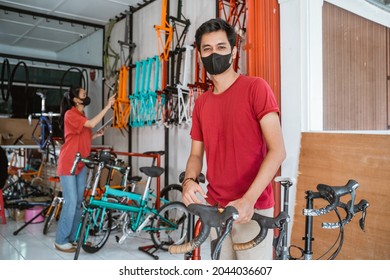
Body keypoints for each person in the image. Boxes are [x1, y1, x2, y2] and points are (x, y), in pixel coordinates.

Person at [182, 18, 286, 260]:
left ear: (233, 51)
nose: (213, 53)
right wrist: (188, 181)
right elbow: (196, 154)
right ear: (199, 54)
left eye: (221, 47)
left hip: (253, 210)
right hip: (216, 209)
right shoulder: (202, 104)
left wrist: (248, 200)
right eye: (207, 49)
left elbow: (277, 151)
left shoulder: (256, 88)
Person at [54, 86, 115, 253]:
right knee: (71, 202)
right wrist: (107, 107)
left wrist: (96, 135)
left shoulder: (81, 115)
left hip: (80, 163)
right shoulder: (71, 114)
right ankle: (60, 240)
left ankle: (72, 239)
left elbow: (82, 134)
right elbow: (91, 123)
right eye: (84, 94)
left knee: (79, 203)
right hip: (69, 163)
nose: (86, 96)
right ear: (76, 99)